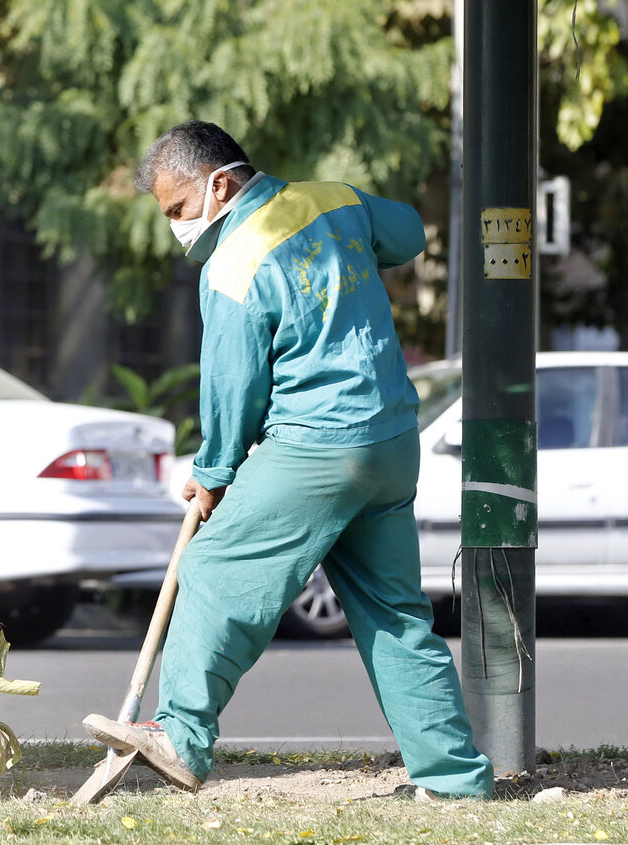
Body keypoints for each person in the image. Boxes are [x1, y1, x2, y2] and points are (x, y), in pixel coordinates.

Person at [84, 120, 494, 800]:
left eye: (179, 211)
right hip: (390, 441)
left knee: (212, 568)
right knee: (394, 613)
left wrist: (213, 471)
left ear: (219, 183)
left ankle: (182, 736)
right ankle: (453, 780)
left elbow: (232, 385)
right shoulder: (335, 200)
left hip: (317, 446)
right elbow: (410, 235)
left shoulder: (234, 264)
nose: (179, 230)